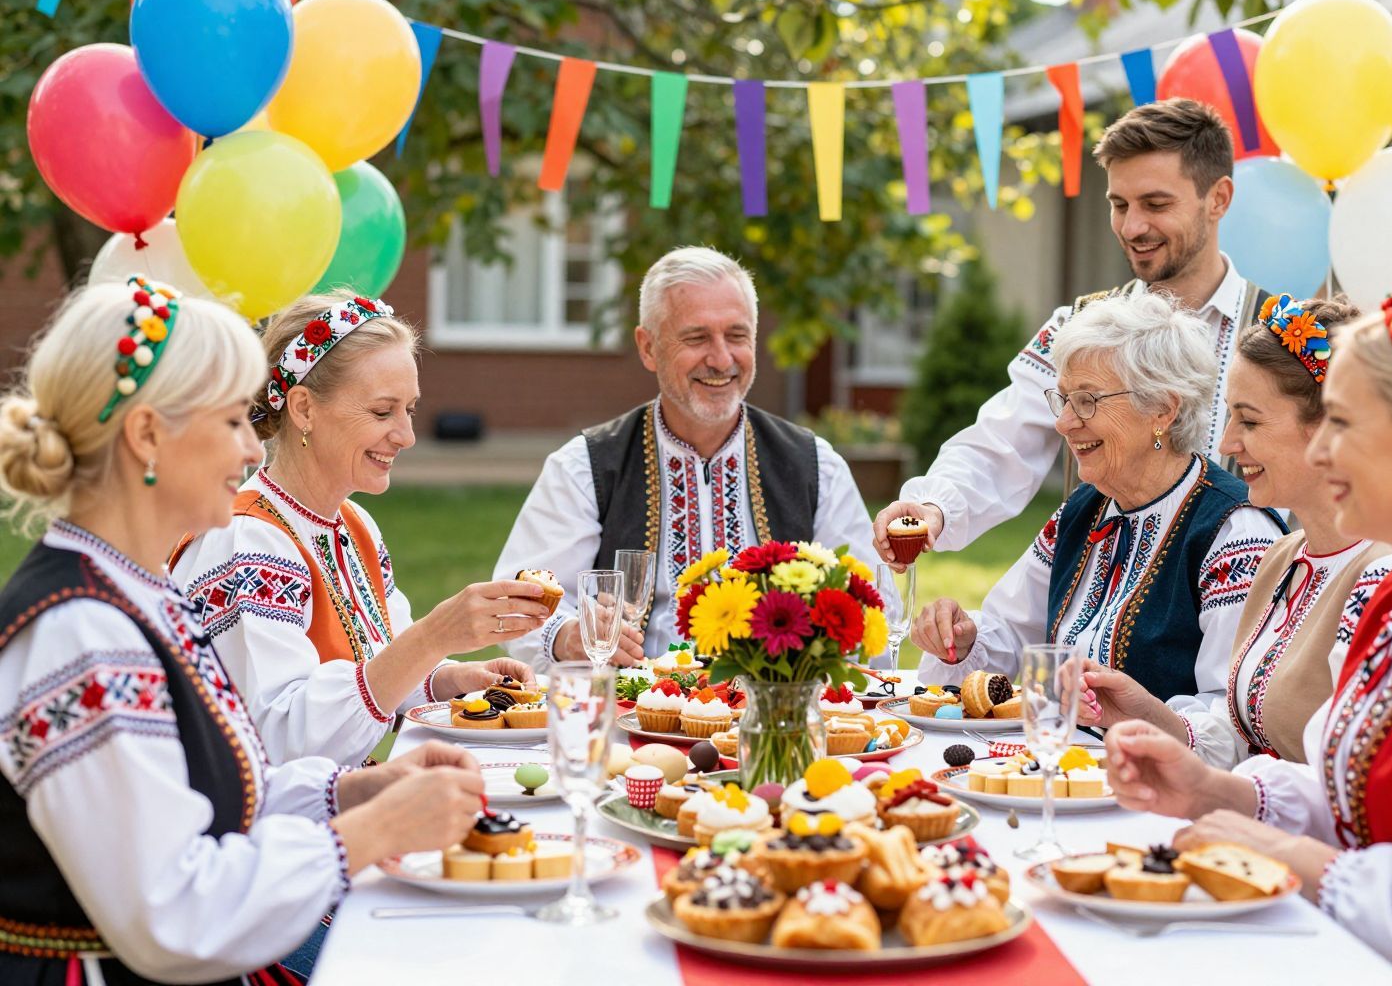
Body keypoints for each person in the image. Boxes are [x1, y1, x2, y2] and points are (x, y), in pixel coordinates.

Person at [0, 278, 484, 985]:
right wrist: (370, 832)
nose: (250, 453)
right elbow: (174, 913)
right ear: (147, 437)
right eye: (230, 422)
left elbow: (217, 788)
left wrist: (354, 792)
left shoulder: (136, 596)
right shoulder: (82, 636)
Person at [1104, 286, 1392, 986]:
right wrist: (1218, 792)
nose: (1324, 451)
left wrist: (1279, 849)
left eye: (1342, 423)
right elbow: (1357, 806)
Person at [874, 98, 1274, 567]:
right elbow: (1002, 443)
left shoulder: (1277, 333)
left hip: (1242, 618)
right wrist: (934, 505)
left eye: (1156, 204)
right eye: (1119, 205)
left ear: (1219, 199)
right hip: (1097, 617)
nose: (1132, 226)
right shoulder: (1078, 324)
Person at [172, 292, 545, 765]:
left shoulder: (353, 525)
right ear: (303, 408)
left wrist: (447, 679)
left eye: (409, 409)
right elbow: (282, 738)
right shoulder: (247, 541)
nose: (406, 435)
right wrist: (433, 637)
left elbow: (383, 668)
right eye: (381, 411)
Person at [495, 246, 881, 667]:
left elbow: (874, 609)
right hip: (633, 717)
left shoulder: (814, 465)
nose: (720, 359)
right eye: (696, 338)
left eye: (736, 336)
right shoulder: (585, 467)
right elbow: (518, 605)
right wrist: (568, 636)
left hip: (773, 714)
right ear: (648, 348)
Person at [910, 290, 1286, 703]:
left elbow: (1229, 711)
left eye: (1087, 400)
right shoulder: (1085, 507)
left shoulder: (1234, 531)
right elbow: (1015, 630)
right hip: (1059, 760)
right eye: (1064, 399)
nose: (1064, 423)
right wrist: (963, 638)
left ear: (1162, 409)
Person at [1076, 296, 1392, 766]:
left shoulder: (1383, 577)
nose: (1227, 443)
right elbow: (1239, 738)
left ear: (1330, 425)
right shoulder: (1283, 560)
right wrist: (1140, 711)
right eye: (1230, 417)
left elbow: (1351, 779)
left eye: (1249, 420)